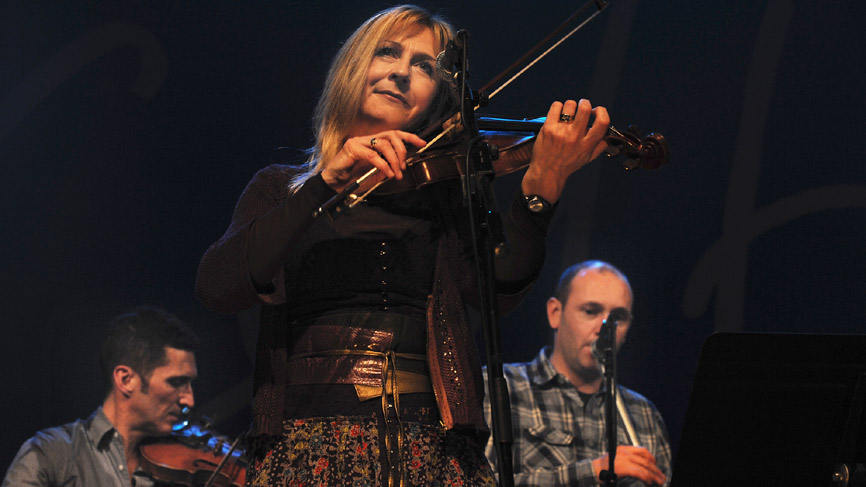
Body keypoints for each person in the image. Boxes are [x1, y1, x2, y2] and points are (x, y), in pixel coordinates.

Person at [195, 5, 610, 486]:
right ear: (353, 69)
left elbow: (496, 291)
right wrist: (324, 184)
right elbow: (218, 285)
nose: (401, 72)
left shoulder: (443, 192)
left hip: (431, 449)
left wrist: (542, 187)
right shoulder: (281, 188)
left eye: (424, 65)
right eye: (387, 53)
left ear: (437, 97)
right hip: (310, 450)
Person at [483, 260, 672, 486]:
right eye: (590, 311)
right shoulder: (499, 387)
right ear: (555, 313)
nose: (604, 329)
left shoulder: (644, 414)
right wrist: (593, 472)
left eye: (617, 318)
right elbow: (479, 482)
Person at [2, 307, 198, 487]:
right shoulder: (51, 453)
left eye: (189, 384)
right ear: (126, 379)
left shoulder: (180, 473)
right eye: (176, 382)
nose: (189, 400)